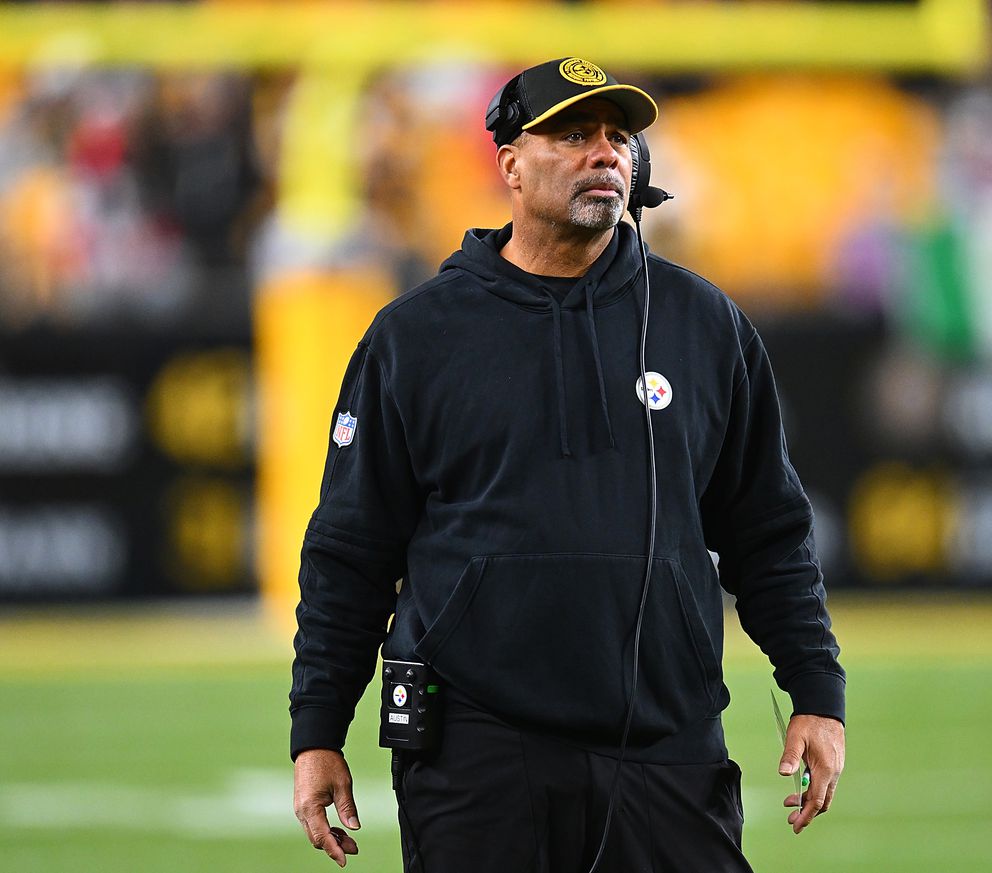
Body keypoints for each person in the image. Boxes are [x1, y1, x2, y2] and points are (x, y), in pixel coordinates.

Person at [290, 57, 846, 872]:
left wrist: (815, 690)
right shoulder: (416, 337)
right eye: (574, 133)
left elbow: (770, 530)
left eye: (619, 136)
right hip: (477, 753)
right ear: (509, 162)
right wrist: (319, 729)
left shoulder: (703, 324)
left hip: (667, 738)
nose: (606, 152)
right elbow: (350, 551)